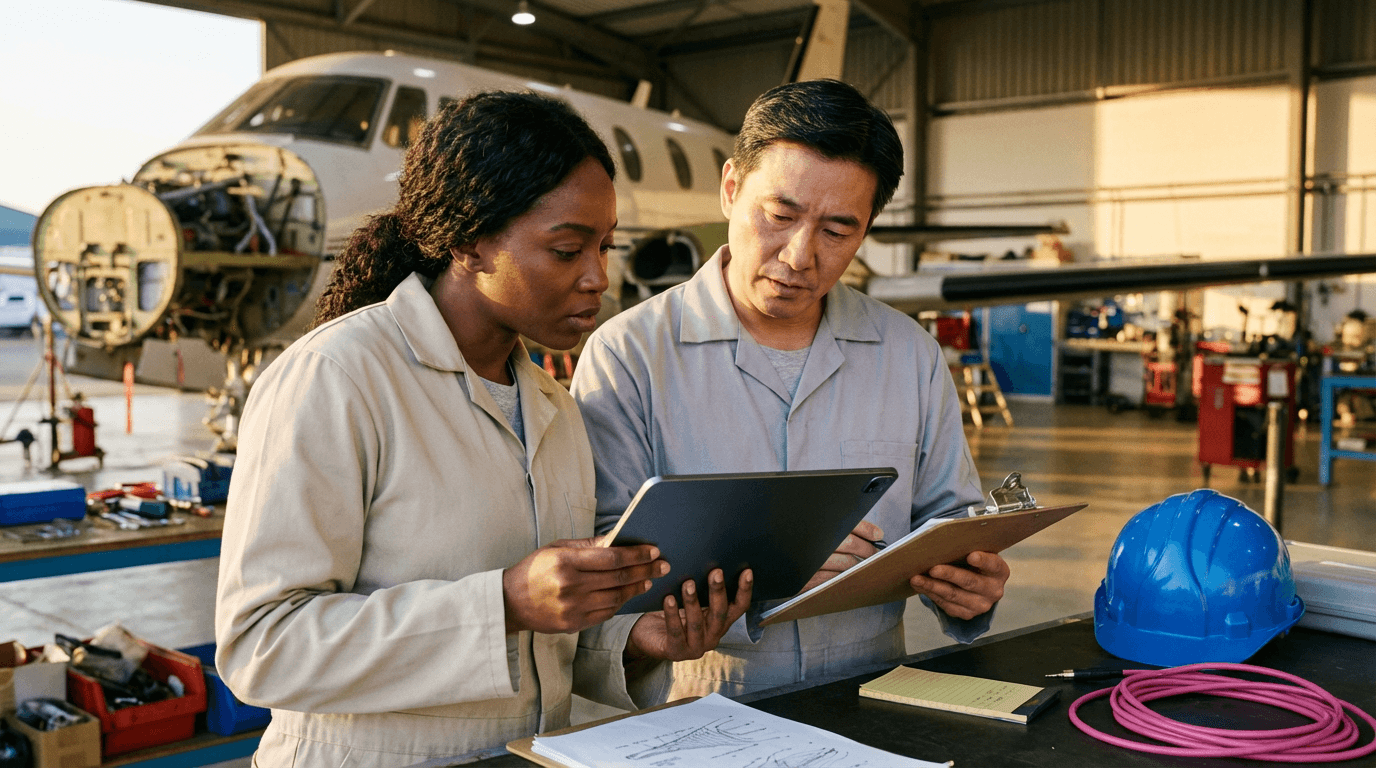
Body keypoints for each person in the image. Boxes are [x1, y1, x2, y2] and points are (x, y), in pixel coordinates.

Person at [215, 91, 751, 767]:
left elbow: (540, 643)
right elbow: (263, 646)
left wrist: (637, 639)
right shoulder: (338, 378)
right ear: (469, 241)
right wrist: (500, 602)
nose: (598, 279)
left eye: (607, 247)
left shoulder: (552, 405)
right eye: (566, 250)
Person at [570, 79, 1010, 699]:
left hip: (874, 697)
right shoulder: (630, 354)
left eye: (837, 231)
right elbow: (606, 560)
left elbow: (949, 516)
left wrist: (971, 587)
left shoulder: (908, 354)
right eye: (779, 216)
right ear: (729, 188)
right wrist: (765, 568)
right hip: (703, 707)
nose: (801, 255)